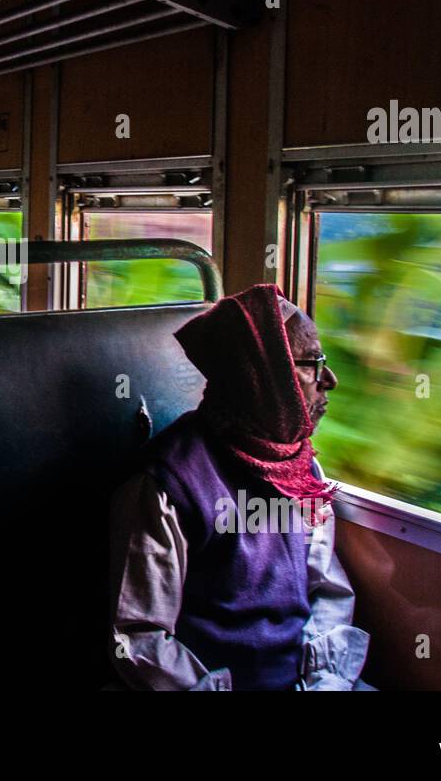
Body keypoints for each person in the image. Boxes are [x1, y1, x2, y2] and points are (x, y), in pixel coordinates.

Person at [110, 283, 372, 691]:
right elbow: (139, 634)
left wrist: (322, 682)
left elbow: (326, 590)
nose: (330, 380)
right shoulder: (169, 485)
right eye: (313, 363)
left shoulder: (302, 470)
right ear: (264, 377)